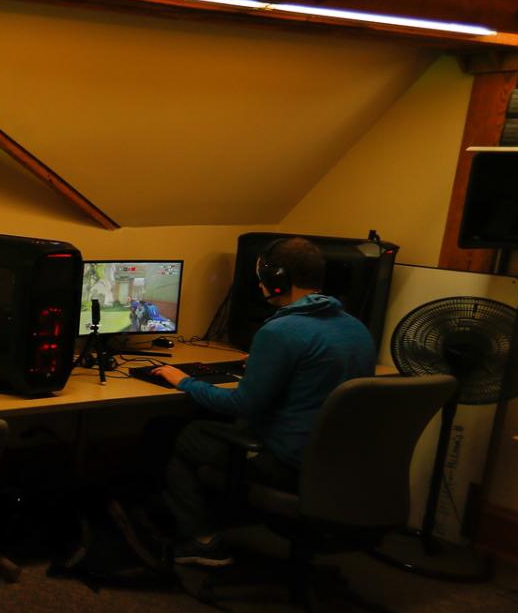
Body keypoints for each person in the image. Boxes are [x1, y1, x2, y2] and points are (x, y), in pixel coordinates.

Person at [148, 237, 375, 568]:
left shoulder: (281, 332)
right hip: (335, 460)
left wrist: (183, 380)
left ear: (277, 280)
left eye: (262, 277)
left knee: (169, 434)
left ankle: (203, 540)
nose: (258, 284)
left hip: (285, 461)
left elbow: (241, 404)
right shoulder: (355, 328)